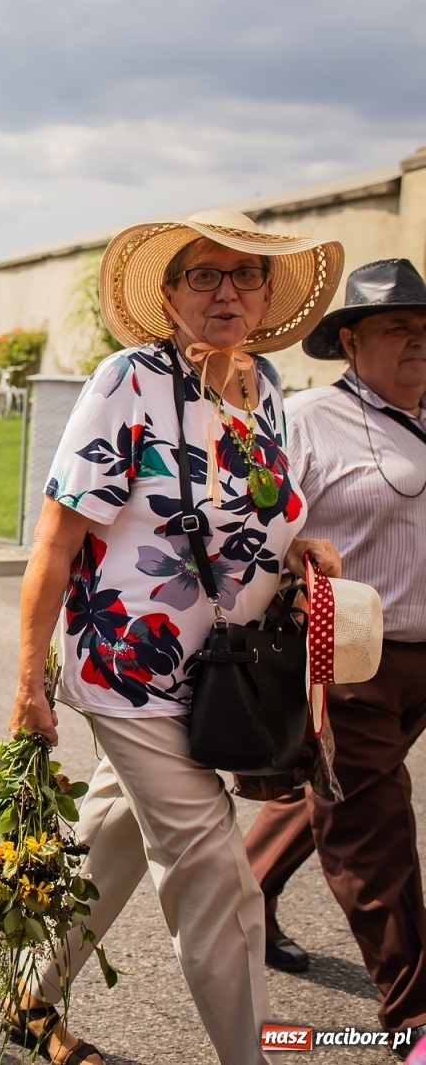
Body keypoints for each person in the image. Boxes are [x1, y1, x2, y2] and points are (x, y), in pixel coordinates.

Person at [7, 211, 343, 1065]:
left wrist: (298, 549)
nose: (227, 292)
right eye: (204, 275)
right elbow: (56, 538)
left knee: (112, 835)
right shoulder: (130, 381)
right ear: (169, 294)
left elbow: (255, 512)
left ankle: (29, 1001)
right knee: (213, 866)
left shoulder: (266, 388)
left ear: (267, 294)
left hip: (222, 673)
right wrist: (27, 681)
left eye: (245, 274)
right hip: (130, 667)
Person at [242, 258, 426, 1051]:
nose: (418, 341)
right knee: (374, 829)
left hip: (420, 659)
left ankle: (243, 894)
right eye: (399, 328)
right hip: (346, 664)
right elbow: (259, 529)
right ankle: (413, 1015)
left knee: (326, 792)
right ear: (351, 342)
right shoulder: (310, 419)